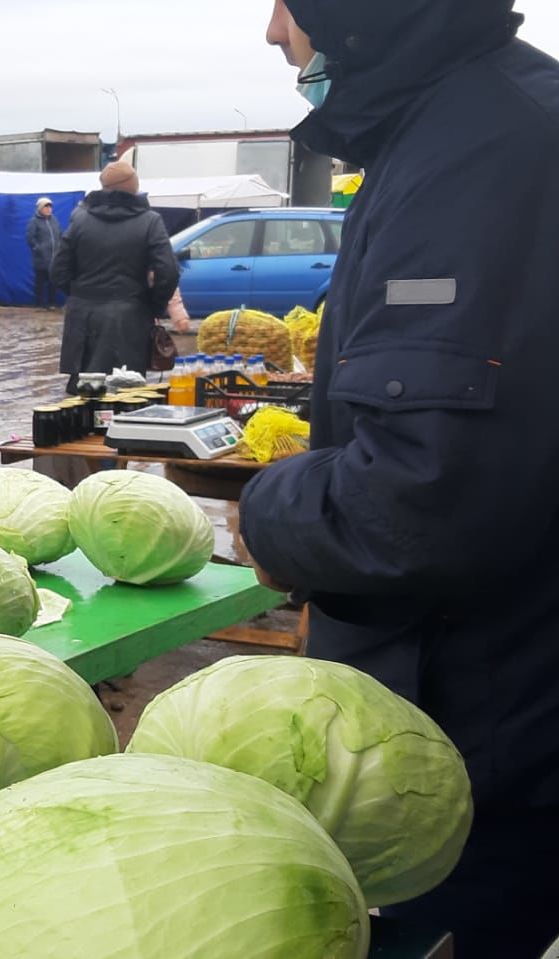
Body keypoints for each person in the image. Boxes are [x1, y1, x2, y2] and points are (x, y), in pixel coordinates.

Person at [240, 2, 559, 955]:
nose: (271, 31)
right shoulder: (481, 122)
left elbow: (417, 504)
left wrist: (273, 510)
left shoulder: (486, 152)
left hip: (490, 727)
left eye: (288, 2)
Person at [51, 158, 178, 388]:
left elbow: (58, 270)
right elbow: (168, 272)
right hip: (129, 319)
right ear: (134, 187)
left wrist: (79, 295)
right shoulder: (150, 222)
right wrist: (152, 304)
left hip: (83, 322)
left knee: (82, 396)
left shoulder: (79, 219)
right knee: (124, 397)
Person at [26, 196, 62, 308]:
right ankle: (39, 304)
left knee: (53, 282)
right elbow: (30, 238)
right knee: (40, 282)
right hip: (41, 259)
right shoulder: (34, 221)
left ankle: (52, 303)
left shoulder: (54, 220)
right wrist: (38, 248)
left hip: (54, 257)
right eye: (46, 207)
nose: (48, 209)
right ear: (40, 208)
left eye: (50, 207)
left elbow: (59, 234)